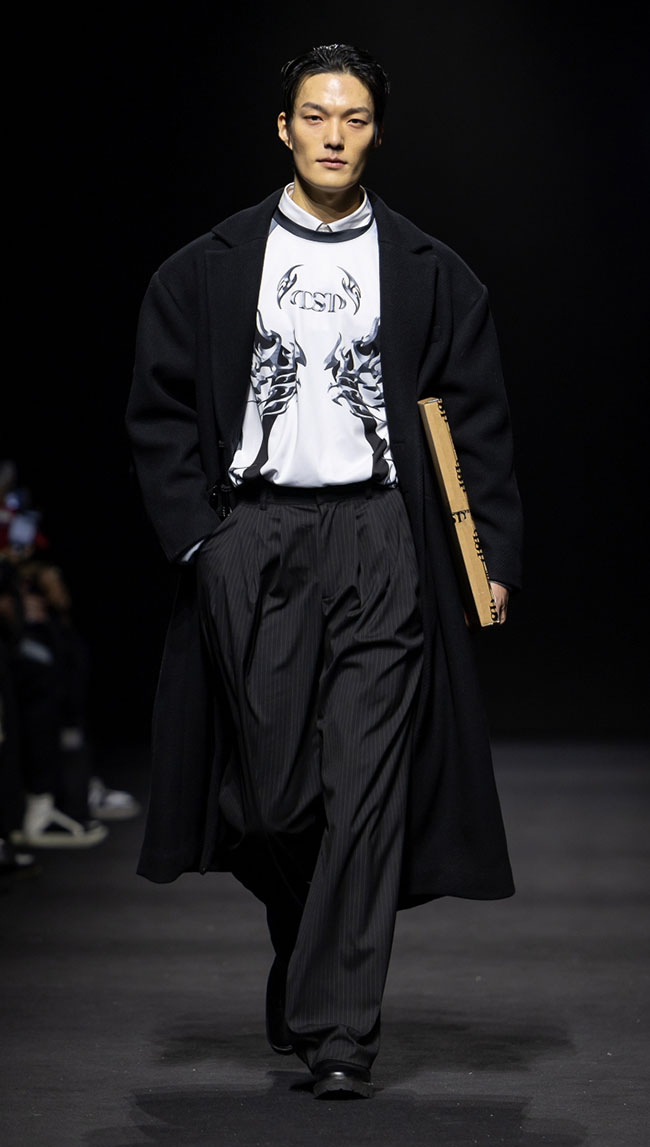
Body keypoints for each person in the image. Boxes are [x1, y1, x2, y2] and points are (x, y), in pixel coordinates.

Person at [125, 43, 523, 1100]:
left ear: (375, 133)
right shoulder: (208, 266)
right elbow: (158, 409)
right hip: (252, 541)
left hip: (383, 536)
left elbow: (477, 421)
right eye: (314, 115)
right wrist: (200, 541)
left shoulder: (430, 271)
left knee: (365, 784)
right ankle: (309, 942)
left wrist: (485, 553)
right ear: (283, 128)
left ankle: (339, 1025)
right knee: (268, 800)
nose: (333, 135)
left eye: (352, 118)